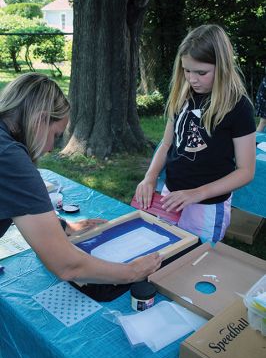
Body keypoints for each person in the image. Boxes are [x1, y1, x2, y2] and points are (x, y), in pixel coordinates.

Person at [0, 72, 162, 284]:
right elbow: (67, 266)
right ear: (39, 119)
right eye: (56, 135)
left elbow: (14, 200)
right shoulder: (10, 158)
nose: (50, 149)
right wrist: (131, 271)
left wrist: (62, 227)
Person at [136, 24, 256, 243]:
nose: (192, 79)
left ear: (223, 67)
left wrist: (197, 193)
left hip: (207, 206)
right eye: (186, 70)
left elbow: (246, 171)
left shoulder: (238, 107)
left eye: (201, 72)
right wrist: (150, 177)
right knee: (164, 250)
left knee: (196, 260)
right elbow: (166, 144)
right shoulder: (182, 95)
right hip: (171, 196)